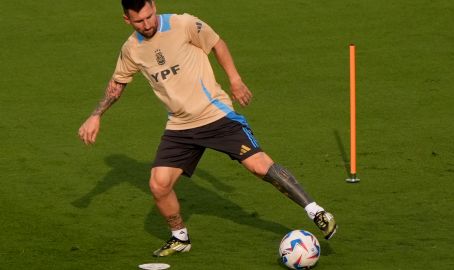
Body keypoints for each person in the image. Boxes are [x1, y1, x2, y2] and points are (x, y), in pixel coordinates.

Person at [78, 0, 337, 257]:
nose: (146, 24)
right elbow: (118, 83)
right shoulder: (132, 49)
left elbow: (217, 44)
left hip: (216, 115)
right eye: (139, 21)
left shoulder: (183, 23)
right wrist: (96, 115)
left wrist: (235, 80)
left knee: (258, 165)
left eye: (149, 16)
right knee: (158, 185)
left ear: (154, 6)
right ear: (127, 20)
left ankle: (316, 211)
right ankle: (180, 237)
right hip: (180, 125)